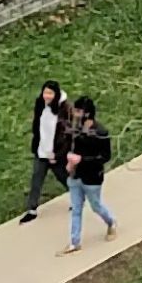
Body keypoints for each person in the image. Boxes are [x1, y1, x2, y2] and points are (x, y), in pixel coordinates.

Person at [62, 99, 116, 250]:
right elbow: (72, 147)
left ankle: (111, 222)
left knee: (96, 206)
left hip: (92, 177)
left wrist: (82, 160)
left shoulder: (100, 133)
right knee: (76, 209)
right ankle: (74, 242)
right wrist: (69, 161)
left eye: (78, 111)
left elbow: (105, 157)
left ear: (87, 113)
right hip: (75, 175)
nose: (75, 114)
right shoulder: (76, 130)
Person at [19, 81, 67, 225]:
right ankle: (32, 209)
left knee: (63, 177)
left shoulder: (64, 110)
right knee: (36, 179)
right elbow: (37, 126)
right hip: (41, 151)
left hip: (55, 154)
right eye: (45, 92)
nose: (46, 96)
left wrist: (56, 154)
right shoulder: (40, 104)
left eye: (50, 93)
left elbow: (65, 135)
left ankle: (78, 196)